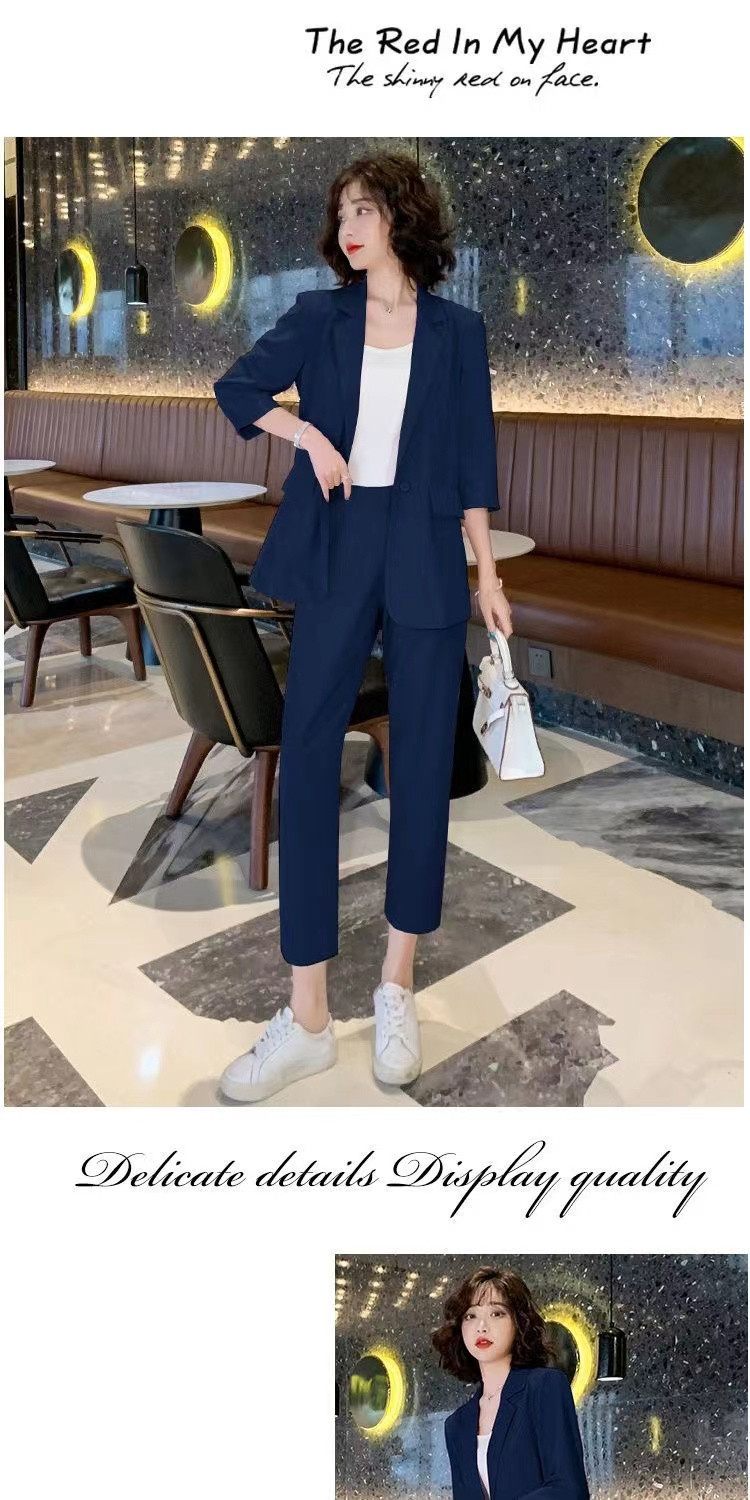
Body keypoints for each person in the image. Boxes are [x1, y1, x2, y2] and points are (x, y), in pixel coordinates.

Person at [213, 150, 513, 1104]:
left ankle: (395, 985)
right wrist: (307, 435)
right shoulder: (319, 316)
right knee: (308, 757)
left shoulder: (459, 331)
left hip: (424, 547)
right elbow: (237, 390)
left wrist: (488, 574)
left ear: (403, 219)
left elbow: (473, 462)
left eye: (366, 210)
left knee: (421, 765)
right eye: (342, 211)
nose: (349, 226)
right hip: (339, 542)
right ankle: (305, 1015)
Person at [432, 1267, 590, 1500]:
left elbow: (569, 1489)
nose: (481, 1326)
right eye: (470, 1316)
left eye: (497, 1313)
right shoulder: (457, 1424)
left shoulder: (544, 1387)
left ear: (518, 1322)